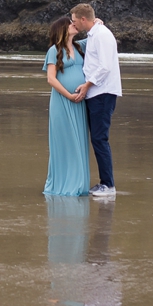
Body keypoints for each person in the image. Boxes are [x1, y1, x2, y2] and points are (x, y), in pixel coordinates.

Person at [70, 3, 121, 197]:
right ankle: (106, 183)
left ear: (83, 19)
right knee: (98, 138)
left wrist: (87, 85)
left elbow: (105, 66)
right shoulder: (94, 34)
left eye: (75, 20)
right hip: (97, 94)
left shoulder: (101, 35)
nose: (73, 24)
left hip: (102, 93)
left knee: (100, 138)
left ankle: (108, 185)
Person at [42, 16, 91, 196]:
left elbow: (95, 34)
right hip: (63, 102)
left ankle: (79, 182)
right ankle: (63, 184)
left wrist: (97, 22)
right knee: (65, 142)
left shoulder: (80, 47)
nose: (74, 25)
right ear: (62, 29)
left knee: (78, 141)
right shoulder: (54, 50)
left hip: (79, 102)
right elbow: (51, 79)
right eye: (70, 24)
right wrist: (69, 95)